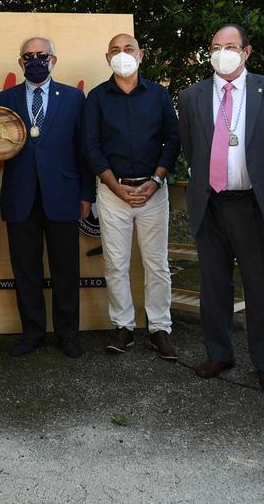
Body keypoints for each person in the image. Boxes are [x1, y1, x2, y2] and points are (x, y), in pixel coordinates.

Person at [177, 24, 264, 390]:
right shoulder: (191, 95)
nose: (222, 52)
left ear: (246, 51)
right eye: (215, 46)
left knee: (262, 287)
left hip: (254, 205)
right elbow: (190, 148)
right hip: (210, 203)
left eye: (230, 46)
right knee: (213, 285)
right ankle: (219, 352)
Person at [0, 36, 93, 358]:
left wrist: (87, 194)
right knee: (25, 269)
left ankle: (68, 335)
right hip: (20, 196)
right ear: (21, 62)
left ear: (53, 60)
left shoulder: (75, 98)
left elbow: (84, 151)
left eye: (42, 55)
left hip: (63, 195)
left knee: (65, 269)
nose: (36, 61)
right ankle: (32, 333)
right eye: (29, 56)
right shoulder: (3, 99)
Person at [82, 33, 180, 360]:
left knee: (157, 264)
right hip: (113, 191)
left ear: (141, 55)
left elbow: (173, 140)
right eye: (115, 50)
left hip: (153, 190)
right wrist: (114, 186)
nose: (122, 55)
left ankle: (159, 328)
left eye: (128, 49)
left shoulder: (159, 95)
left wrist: (154, 181)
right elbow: (91, 146)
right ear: (106, 56)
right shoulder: (96, 98)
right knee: (116, 263)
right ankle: (123, 326)